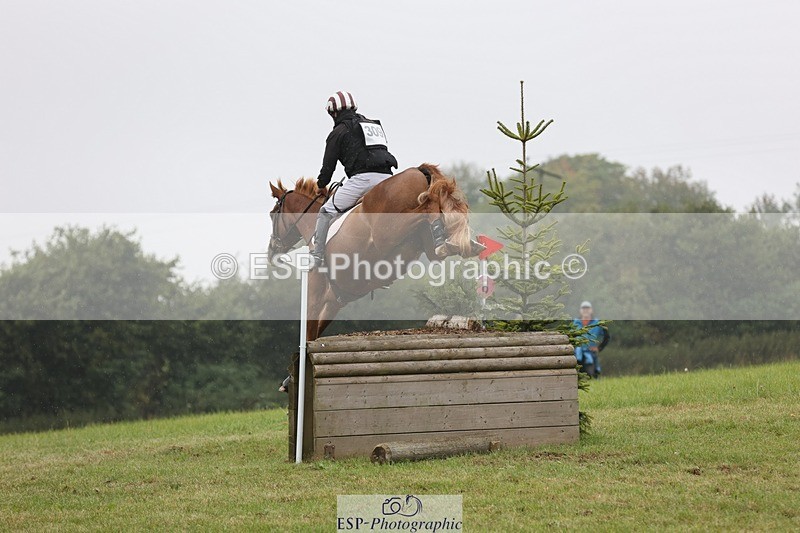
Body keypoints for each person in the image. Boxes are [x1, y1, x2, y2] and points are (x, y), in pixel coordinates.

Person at [309, 91, 398, 269]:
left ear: (334, 113)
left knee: (325, 212)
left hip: (363, 179)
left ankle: (316, 256)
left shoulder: (338, 132)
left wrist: (321, 185)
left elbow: (328, 168)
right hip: (388, 179)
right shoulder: (372, 125)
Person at [572, 301, 609, 378]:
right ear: (580, 310)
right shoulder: (575, 322)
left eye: (587, 308)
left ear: (591, 310)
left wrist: (599, 348)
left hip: (591, 354)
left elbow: (607, 337)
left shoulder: (598, 322)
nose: (585, 310)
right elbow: (569, 337)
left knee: (591, 375)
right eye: (583, 308)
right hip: (576, 354)